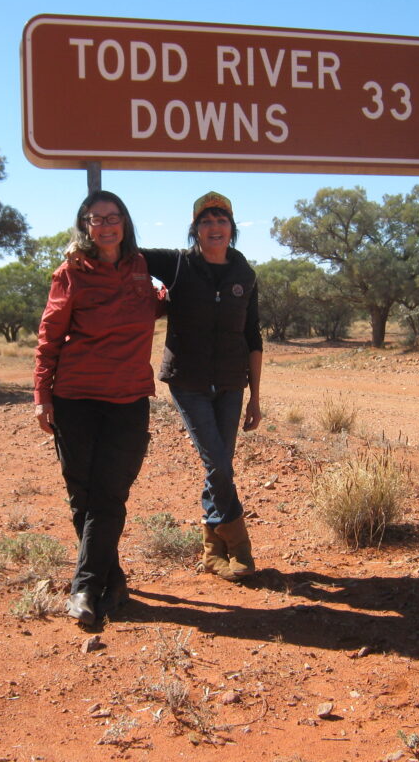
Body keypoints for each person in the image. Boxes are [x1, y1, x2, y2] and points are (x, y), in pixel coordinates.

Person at [34, 190, 159, 625]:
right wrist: (41, 396)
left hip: (128, 400)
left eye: (113, 217)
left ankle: (85, 586)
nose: (105, 225)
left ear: (124, 222)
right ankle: (110, 580)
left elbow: (168, 300)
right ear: (85, 225)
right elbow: (49, 338)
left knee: (110, 494)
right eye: (95, 219)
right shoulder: (70, 273)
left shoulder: (143, 269)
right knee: (82, 496)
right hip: (75, 399)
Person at [140, 191, 263, 581]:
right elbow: (126, 252)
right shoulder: (176, 264)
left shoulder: (245, 274)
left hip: (231, 381)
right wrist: (84, 249)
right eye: (206, 221)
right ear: (195, 229)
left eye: (221, 220)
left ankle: (212, 549)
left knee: (219, 465)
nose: (214, 227)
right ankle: (239, 543)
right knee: (218, 462)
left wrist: (256, 396)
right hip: (188, 381)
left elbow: (253, 337)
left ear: (232, 229)